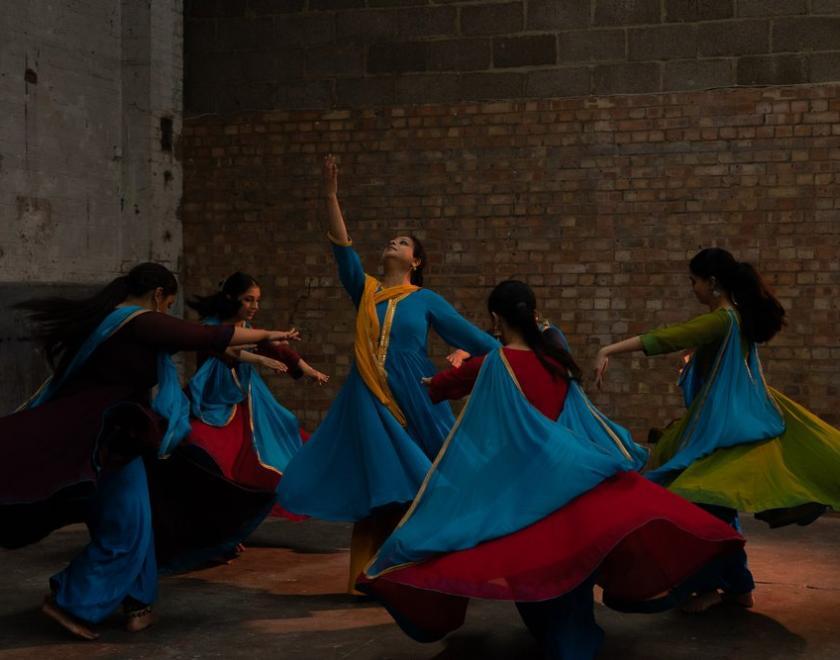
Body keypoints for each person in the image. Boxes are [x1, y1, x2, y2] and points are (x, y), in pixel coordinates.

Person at [358, 280, 744, 659]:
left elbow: (454, 401)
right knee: (570, 564)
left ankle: (566, 639)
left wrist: (423, 383)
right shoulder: (555, 358)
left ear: (496, 318)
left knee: (521, 565)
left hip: (524, 488)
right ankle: (573, 636)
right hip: (571, 478)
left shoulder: (496, 363)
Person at [0, 263, 297, 639]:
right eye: (168, 303)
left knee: (139, 519)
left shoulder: (109, 321)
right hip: (110, 439)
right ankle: (73, 602)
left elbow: (210, 343)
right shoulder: (138, 321)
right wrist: (271, 333)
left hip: (110, 440)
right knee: (127, 529)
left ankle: (138, 605)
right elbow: (205, 336)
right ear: (158, 296)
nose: (167, 311)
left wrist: (261, 349)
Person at [277, 155, 499, 592]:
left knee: (435, 479)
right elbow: (342, 249)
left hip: (418, 393)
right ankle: (369, 577)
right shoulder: (366, 291)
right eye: (392, 239)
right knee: (380, 484)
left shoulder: (427, 299)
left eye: (403, 242)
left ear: (416, 260)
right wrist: (330, 195)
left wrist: (461, 356)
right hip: (369, 395)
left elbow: (484, 344)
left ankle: (436, 569)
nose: (393, 244)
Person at [594, 247, 840, 612]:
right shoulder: (732, 319)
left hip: (728, 429)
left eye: (693, 281)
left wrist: (608, 349)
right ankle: (736, 586)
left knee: (702, 505)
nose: (691, 288)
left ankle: (715, 584)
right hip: (732, 423)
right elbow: (693, 343)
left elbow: (668, 336)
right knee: (715, 507)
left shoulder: (723, 319)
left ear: (711, 283)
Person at [150, 272, 328, 571]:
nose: (254, 306)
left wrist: (307, 370)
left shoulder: (245, 327)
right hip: (210, 407)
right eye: (249, 300)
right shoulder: (209, 329)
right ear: (231, 298)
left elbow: (279, 349)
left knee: (271, 456)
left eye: (257, 301)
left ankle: (230, 531)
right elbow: (225, 349)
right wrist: (257, 359)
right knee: (212, 465)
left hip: (245, 407)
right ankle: (211, 533)